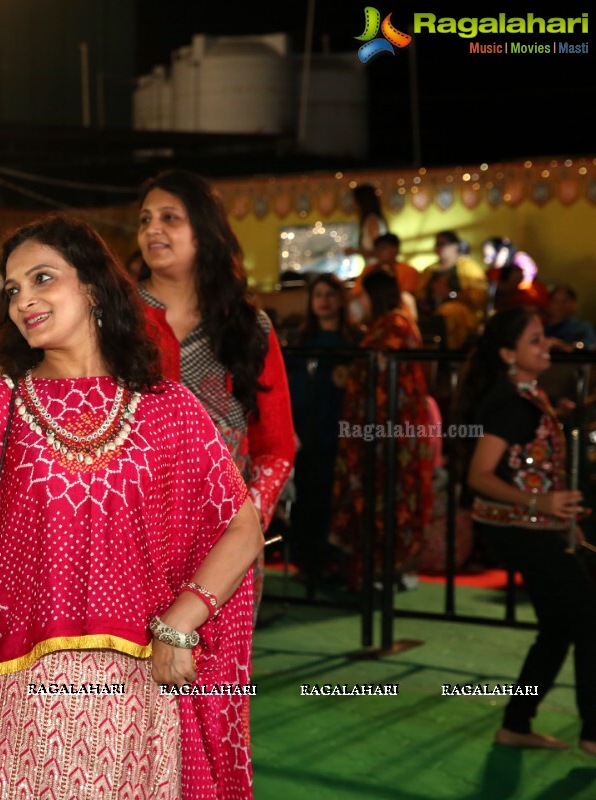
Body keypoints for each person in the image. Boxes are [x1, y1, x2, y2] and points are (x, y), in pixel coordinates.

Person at [0, 215, 263, 799]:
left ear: (92, 286)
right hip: (27, 694)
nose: (23, 301)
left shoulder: (169, 409)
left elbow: (241, 527)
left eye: (42, 279)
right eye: (12, 289)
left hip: (144, 687)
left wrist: (182, 621)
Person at [456, 307, 595, 754]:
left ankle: (516, 724)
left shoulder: (527, 395)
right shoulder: (509, 403)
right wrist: (542, 503)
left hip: (535, 528)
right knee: (589, 620)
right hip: (521, 530)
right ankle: (593, 732)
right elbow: (479, 476)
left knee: (558, 626)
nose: (546, 346)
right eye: (534, 340)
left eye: (544, 337)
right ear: (507, 354)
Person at [136, 169, 295, 535]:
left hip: (228, 527)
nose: (152, 229)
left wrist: (248, 521)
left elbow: (276, 445)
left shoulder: (248, 325)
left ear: (204, 231)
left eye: (169, 218)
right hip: (134, 527)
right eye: (145, 220)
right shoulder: (116, 320)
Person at [331, 270, 434, 590]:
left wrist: (350, 374)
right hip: (386, 430)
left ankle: (385, 569)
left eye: (360, 294)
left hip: (389, 433)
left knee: (387, 495)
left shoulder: (393, 325)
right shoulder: (391, 324)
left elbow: (379, 375)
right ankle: (382, 570)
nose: (355, 301)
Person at [285, 274, 359, 581]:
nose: (325, 300)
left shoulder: (354, 342)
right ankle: (306, 560)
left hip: (340, 431)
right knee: (306, 495)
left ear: (341, 300)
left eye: (331, 294)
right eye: (318, 295)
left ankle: (334, 560)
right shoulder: (301, 341)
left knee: (335, 495)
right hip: (305, 431)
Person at [545, 284, 596, 350]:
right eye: (555, 301)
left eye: (564, 301)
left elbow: (589, 346)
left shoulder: (582, 328)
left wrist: (565, 347)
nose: (559, 306)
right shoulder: (541, 327)